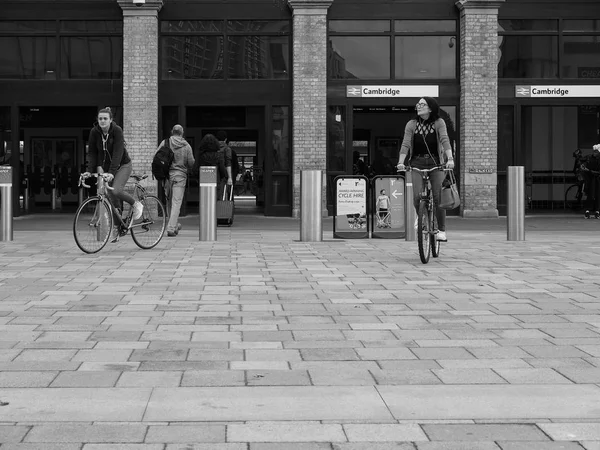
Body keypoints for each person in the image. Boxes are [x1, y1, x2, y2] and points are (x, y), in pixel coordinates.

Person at [396, 97, 454, 242]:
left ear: (430, 108)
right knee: (416, 196)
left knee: (438, 196)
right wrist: (400, 162)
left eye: (423, 104)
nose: (419, 106)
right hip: (417, 162)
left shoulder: (439, 122)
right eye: (418, 104)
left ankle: (441, 230)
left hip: (436, 162)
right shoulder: (412, 124)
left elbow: (444, 140)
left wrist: (450, 159)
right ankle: (422, 216)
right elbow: (406, 144)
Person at [85, 107, 143, 242]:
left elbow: (118, 153)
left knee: (116, 190)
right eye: (100, 119)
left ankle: (136, 204)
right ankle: (119, 226)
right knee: (110, 198)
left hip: (123, 165)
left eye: (105, 118)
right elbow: (92, 153)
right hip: (107, 168)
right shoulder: (94, 132)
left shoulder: (117, 131)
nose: (102, 121)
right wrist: (89, 169)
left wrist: (111, 172)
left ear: (111, 120)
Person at [160, 124, 194, 237]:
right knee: (176, 202)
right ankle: (171, 228)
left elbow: (156, 156)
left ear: (172, 131)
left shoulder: (165, 142)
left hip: (167, 176)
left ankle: (173, 225)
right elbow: (191, 162)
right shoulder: (186, 145)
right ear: (182, 132)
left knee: (169, 202)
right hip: (180, 176)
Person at [192, 133, 225, 199]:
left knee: (204, 200)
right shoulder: (219, 155)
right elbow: (222, 170)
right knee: (216, 199)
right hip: (216, 180)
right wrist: (222, 178)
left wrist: (198, 178)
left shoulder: (200, 155)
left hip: (203, 181)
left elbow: (195, 169)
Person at [583, 144, 600, 218]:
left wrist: (589, 170)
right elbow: (584, 162)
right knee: (590, 194)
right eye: (594, 151)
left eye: (596, 152)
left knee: (598, 195)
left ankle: (597, 211)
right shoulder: (590, 158)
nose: (594, 153)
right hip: (591, 179)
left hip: (598, 179)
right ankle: (588, 210)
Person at [216, 130, 233, 200]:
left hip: (213, 174)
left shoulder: (213, 148)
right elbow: (228, 163)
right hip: (223, 174)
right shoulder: (227, 149)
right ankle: (221, 209)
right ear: (225, 139)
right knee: (222, 194)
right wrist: (230, 177)